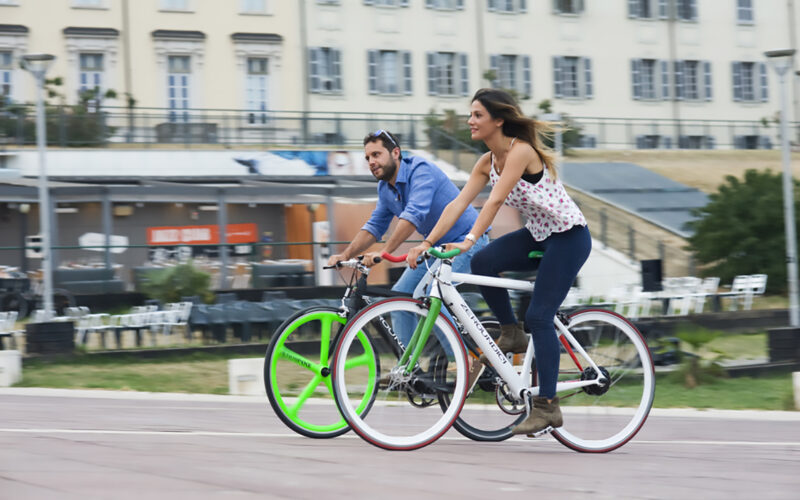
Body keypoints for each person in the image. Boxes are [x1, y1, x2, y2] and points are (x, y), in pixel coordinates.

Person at [406, 89, 591, 436]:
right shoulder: (485, 161)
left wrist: (469, 240)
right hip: (539, 235)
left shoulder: (520, 151)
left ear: (498, 120)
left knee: (539, 316)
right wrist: (427, 242)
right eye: (470, 115)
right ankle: (510, 332)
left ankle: (547, 406)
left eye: (477, 115)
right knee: (485, 262)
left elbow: (494, 201)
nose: (470, 121)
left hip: (569, 236)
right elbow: (458, 204)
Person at [327, 129, 489, 346]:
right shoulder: (385, 188)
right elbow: (375, 227)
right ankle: (407, 371)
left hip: (466, 242)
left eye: (376, 155)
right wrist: (345, 255)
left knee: (434, 297)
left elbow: (414, 214)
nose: (371, 162)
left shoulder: (420, 170)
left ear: (395, 153)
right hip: (435, 249)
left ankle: (462, 361)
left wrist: (384, 253)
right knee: (400, 296)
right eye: (367, 158)